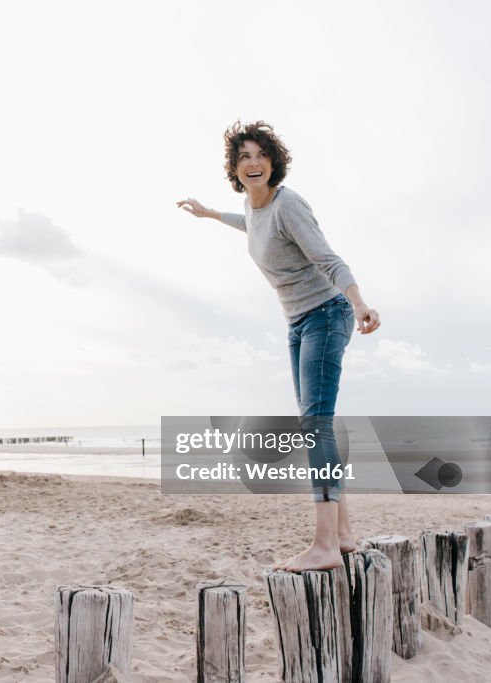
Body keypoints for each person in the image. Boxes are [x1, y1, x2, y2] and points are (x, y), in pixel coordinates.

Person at [176, 120, 380, 573]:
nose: (252, 163)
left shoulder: (288, 205)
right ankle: (343, 535)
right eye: (243, 156)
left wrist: (360, 303)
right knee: (316, 423)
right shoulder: (255, 208)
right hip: (299, 323)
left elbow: (328, 259)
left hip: (327, 314)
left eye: (259, 155)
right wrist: (210, 214)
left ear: (273, 162)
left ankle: (325, 544)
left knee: (316, 425)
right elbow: (248, 223)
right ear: (235, 168)